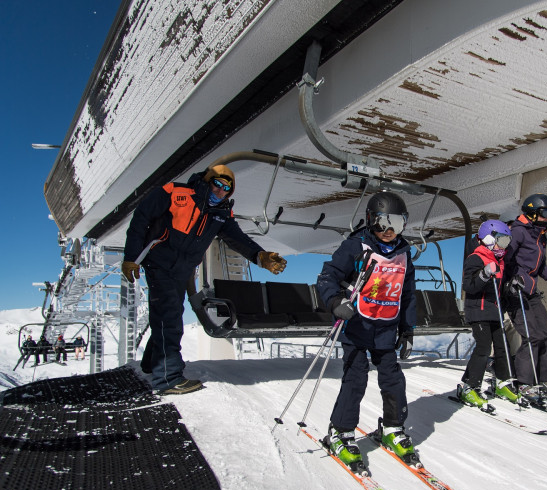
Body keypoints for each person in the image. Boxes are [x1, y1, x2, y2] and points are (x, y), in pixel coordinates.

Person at [122, 164, 287, 395]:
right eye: (217, 184)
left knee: (167, 315)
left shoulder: (220, 214)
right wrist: (131, 257)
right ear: (207, 180)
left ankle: (153, 364)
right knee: (168, 315)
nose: (220, 191)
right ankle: (167, 379)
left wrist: (260, 256)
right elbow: (141, 220)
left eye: (226, 189)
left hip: (183, 270)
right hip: (160, 263)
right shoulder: (174, 193)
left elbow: (237, 239)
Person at [316, 191, 417, 470]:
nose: (388, 230)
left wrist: (407, 331)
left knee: (393, 379)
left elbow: (408, 295)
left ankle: (393, 427)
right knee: (356, 378)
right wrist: (335, 301)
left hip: (386, 327)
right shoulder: (355, 246)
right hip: (356, 325)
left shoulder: (404, 254)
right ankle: (341, 431)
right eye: (383, 222)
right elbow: (327, 276)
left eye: (396, 223)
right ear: (370, 220)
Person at [503, 193, 547, 399]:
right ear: (533, 213)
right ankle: (524, 382)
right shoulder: (517, 232)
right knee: (531, 336)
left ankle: (545, 380)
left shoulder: (539, 236)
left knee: (546, 335)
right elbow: (505, 260)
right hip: (515, 292)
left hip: (531, 293)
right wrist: (510, 282)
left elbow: (540, 267)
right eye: (546, 212)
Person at [458, 219, 521, 407]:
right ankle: (469, 386)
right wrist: (484, 274)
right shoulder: (475, 258)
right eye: (501, 241)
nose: (504, 246)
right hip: (478, 310)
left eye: (506, 242)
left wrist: (511, 287)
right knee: (484, 347)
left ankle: (502, 382)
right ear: (488, 239)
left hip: (494, 310)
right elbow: (469, 285)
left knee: (502, 347)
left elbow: (498, 289)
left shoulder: (498, 261)